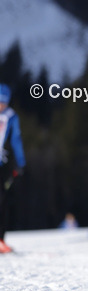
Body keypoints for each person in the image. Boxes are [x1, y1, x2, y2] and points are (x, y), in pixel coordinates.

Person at [0, 84, 26, 254]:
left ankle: (1, 240)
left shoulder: (10, 116)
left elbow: (16, 139)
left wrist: (21, 162)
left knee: (2, 203)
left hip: (1, 164)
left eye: (4, 102)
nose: (2, 105)